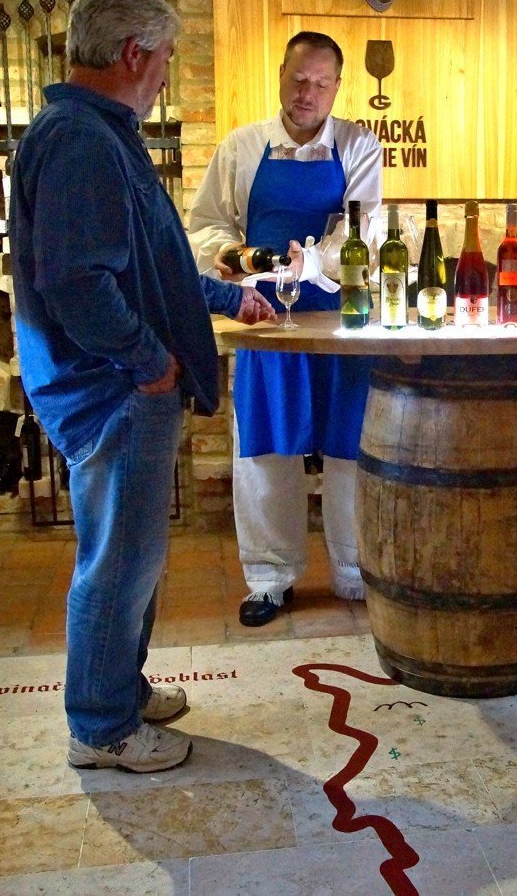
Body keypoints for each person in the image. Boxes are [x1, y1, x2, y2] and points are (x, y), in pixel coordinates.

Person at [12, 0, 275, 772]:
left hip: (121, 384)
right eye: (163, 57)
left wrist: (231, 296)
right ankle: (100, 727)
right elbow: (80, 282)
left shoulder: (96, 131)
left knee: (133, 556)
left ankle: (117, 688)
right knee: (118, 562)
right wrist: (150, 362)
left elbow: (151, 265)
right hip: (113, 389)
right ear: (133, 54)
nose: (165, 72)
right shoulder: (83, 141)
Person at [188, 32, 384, 627]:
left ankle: (356, 574)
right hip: (265, 321)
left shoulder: (358, 144)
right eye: (300, 80)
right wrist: (227, 254)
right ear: (281, 76)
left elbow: (367, 232)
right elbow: (205, 224)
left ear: (337, 88)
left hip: (344, 320)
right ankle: (270, 579)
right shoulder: (242, 147)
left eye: (322, 83)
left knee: (352, 448)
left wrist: (314, 262)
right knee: (266, 450)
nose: (309, 93)